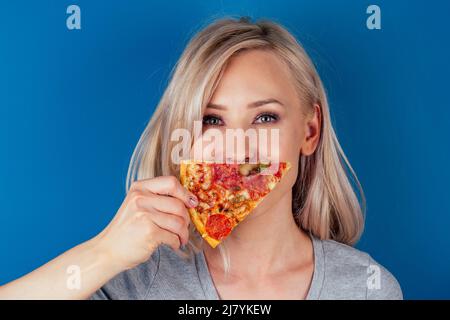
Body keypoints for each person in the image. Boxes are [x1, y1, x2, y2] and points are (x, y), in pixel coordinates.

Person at [0, 17, 402, 300]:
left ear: (309, 132)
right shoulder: (134, 282)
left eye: (265, 117)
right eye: (212, 119)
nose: (238, 145)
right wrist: (104, 253)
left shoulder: (368, 288)